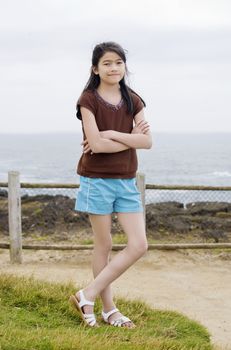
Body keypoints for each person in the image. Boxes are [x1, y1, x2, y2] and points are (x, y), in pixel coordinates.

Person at [70, 41, 152, 328]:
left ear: (124, 66)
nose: (113, 67)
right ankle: (109, 309)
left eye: (118, 62)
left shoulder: (134, 99)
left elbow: (147, 142)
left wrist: (113, 133)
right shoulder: (88, 99)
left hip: (126, 181)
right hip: (96, 181)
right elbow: (96, 145)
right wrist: (128, 137)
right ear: (95, 68)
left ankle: (86, 294)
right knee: (103, 246)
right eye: (107, 63)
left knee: (139, 244)